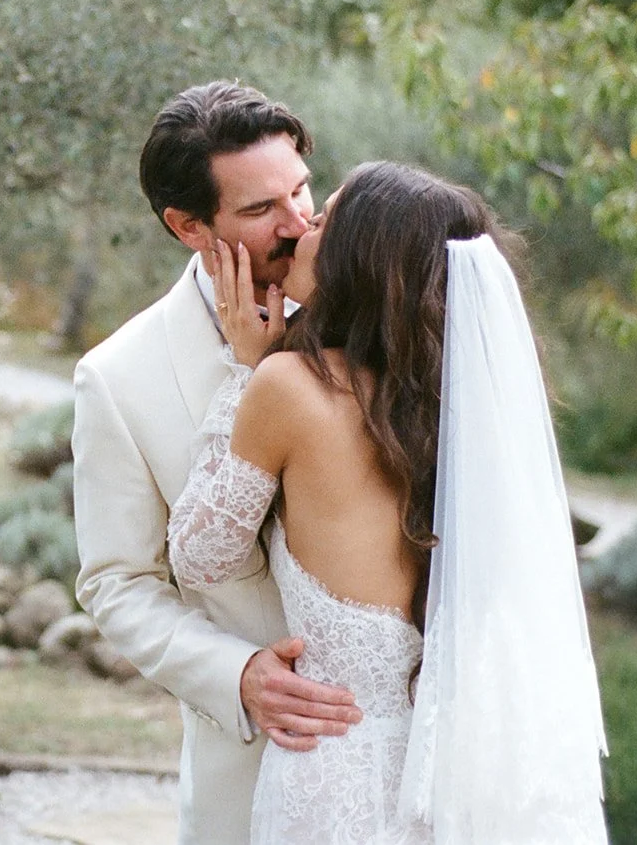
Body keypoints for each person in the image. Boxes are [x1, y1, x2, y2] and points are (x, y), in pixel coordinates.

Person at [168, 161, 609, 843]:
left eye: (319, 221)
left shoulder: (285, 385)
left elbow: (199, 555)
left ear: (358, 261)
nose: (300, 232)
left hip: (331, 781)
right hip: (447, 781)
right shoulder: (454, 412)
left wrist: (243, 369)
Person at [72, 81, 364, 845]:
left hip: (398, 748)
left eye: (302, 189)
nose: (300, 224)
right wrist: (236, 675)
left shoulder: (375, 322)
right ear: (189, 226)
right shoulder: (118, 377)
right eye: (263, 209)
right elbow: (116, 581)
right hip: (249, 773)